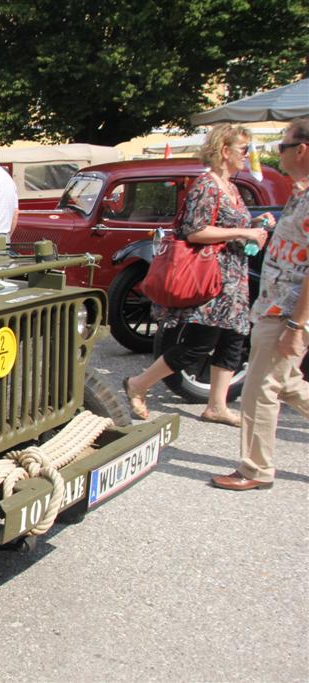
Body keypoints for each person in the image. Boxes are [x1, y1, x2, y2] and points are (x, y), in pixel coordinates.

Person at [122, 124, 269, 425]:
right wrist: (245, 230)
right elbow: (194, 230)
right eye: (243, 149)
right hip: (212, 280)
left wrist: (256, 222)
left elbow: (225, 225)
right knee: (197, 345)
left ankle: (216, 405)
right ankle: (138, 384)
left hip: (233, 280)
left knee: (233, 341)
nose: (247, 155)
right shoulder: (207, 185)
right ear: (225, 151)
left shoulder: (231, 187)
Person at [211, 118, 309, 491]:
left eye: (282, 146)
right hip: (276, 307)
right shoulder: (301, 191)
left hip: (287, 313)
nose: (276, 153)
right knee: (287, 384)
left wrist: (298, 325)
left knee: (261, 388)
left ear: (302, 149)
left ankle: (255, 469)